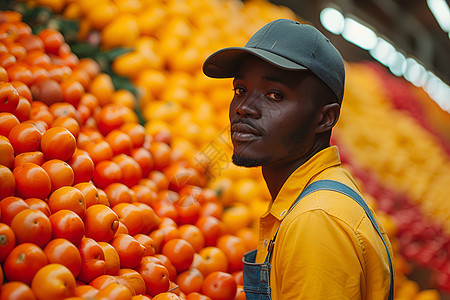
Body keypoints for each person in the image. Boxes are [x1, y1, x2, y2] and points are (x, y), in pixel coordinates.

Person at [203, 19, 394, 299]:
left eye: (274, 95)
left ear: (325, 117)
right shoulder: (318, 197)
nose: (244, 108)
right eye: (240, 90)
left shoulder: (316, 222)